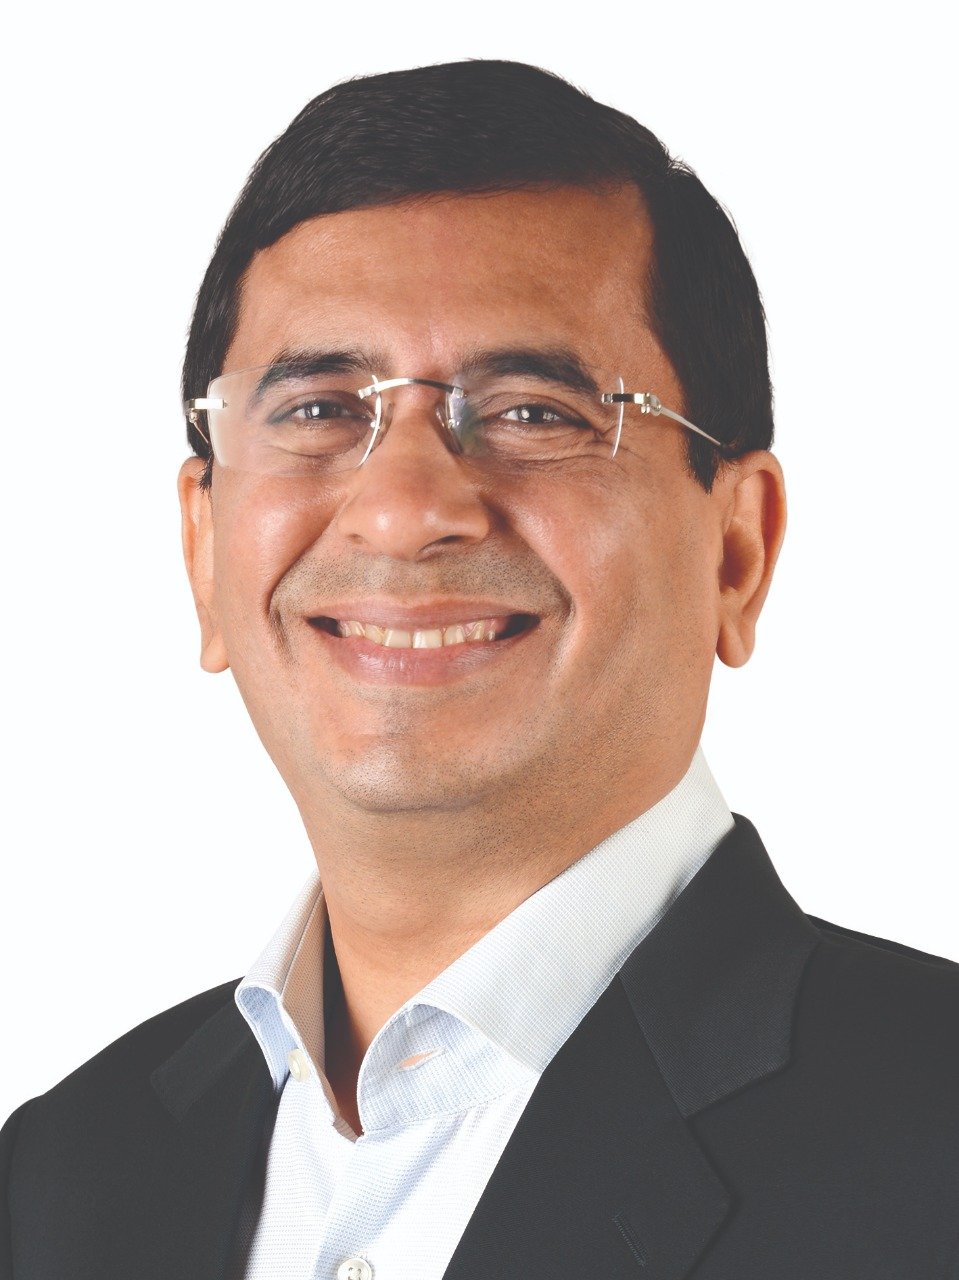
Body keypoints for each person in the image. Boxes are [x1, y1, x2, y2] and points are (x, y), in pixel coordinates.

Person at [2, 57, 957, 1280]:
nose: (402, 509)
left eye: (532, 412)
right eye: (318, 409)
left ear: (735, 550)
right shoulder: (61, 1175)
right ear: (203, 548)